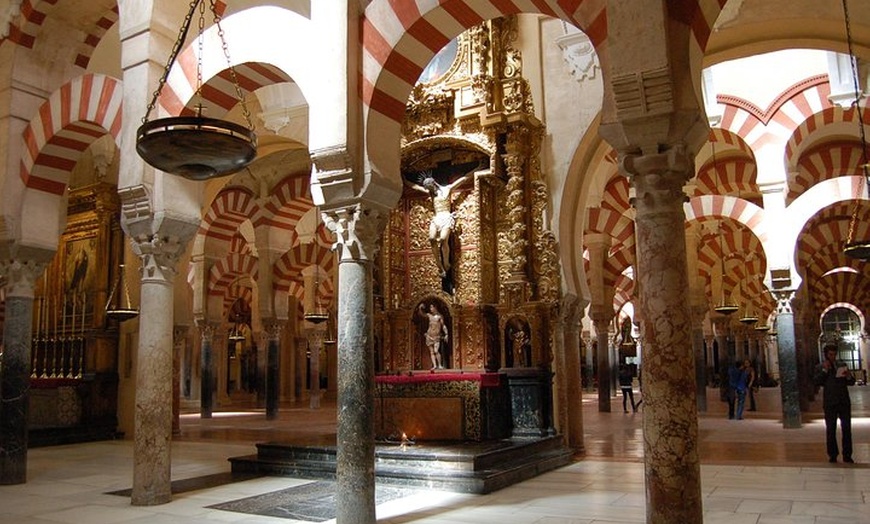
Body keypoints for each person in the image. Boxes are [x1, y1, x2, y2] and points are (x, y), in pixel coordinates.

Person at [813, 344, 855, 463]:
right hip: (830, 402)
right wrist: (825, 370)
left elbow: (851, 382)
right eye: (830, 354)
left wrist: (848, 376)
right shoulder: (821, 367)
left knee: (846, 429)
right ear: (826, 354)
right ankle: (832, 454)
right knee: (831, 429)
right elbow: (817, 381)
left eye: (834, 354)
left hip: (843, 401)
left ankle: (847, 454)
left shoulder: (842, 365)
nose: (833, 356)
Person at [419, 302, 448, 370]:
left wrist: (446, 334)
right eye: (430, 308)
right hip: (429, 335)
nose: (431, 309)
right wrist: (420, 308)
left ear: (435, 308)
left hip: (436, 336)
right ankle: (434, 365)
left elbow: (443, 326)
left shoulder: (440, 316)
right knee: (431, 352)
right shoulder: (429, 315)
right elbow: (422, 314)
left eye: (432, 307)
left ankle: (440, 365)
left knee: (436, 351)